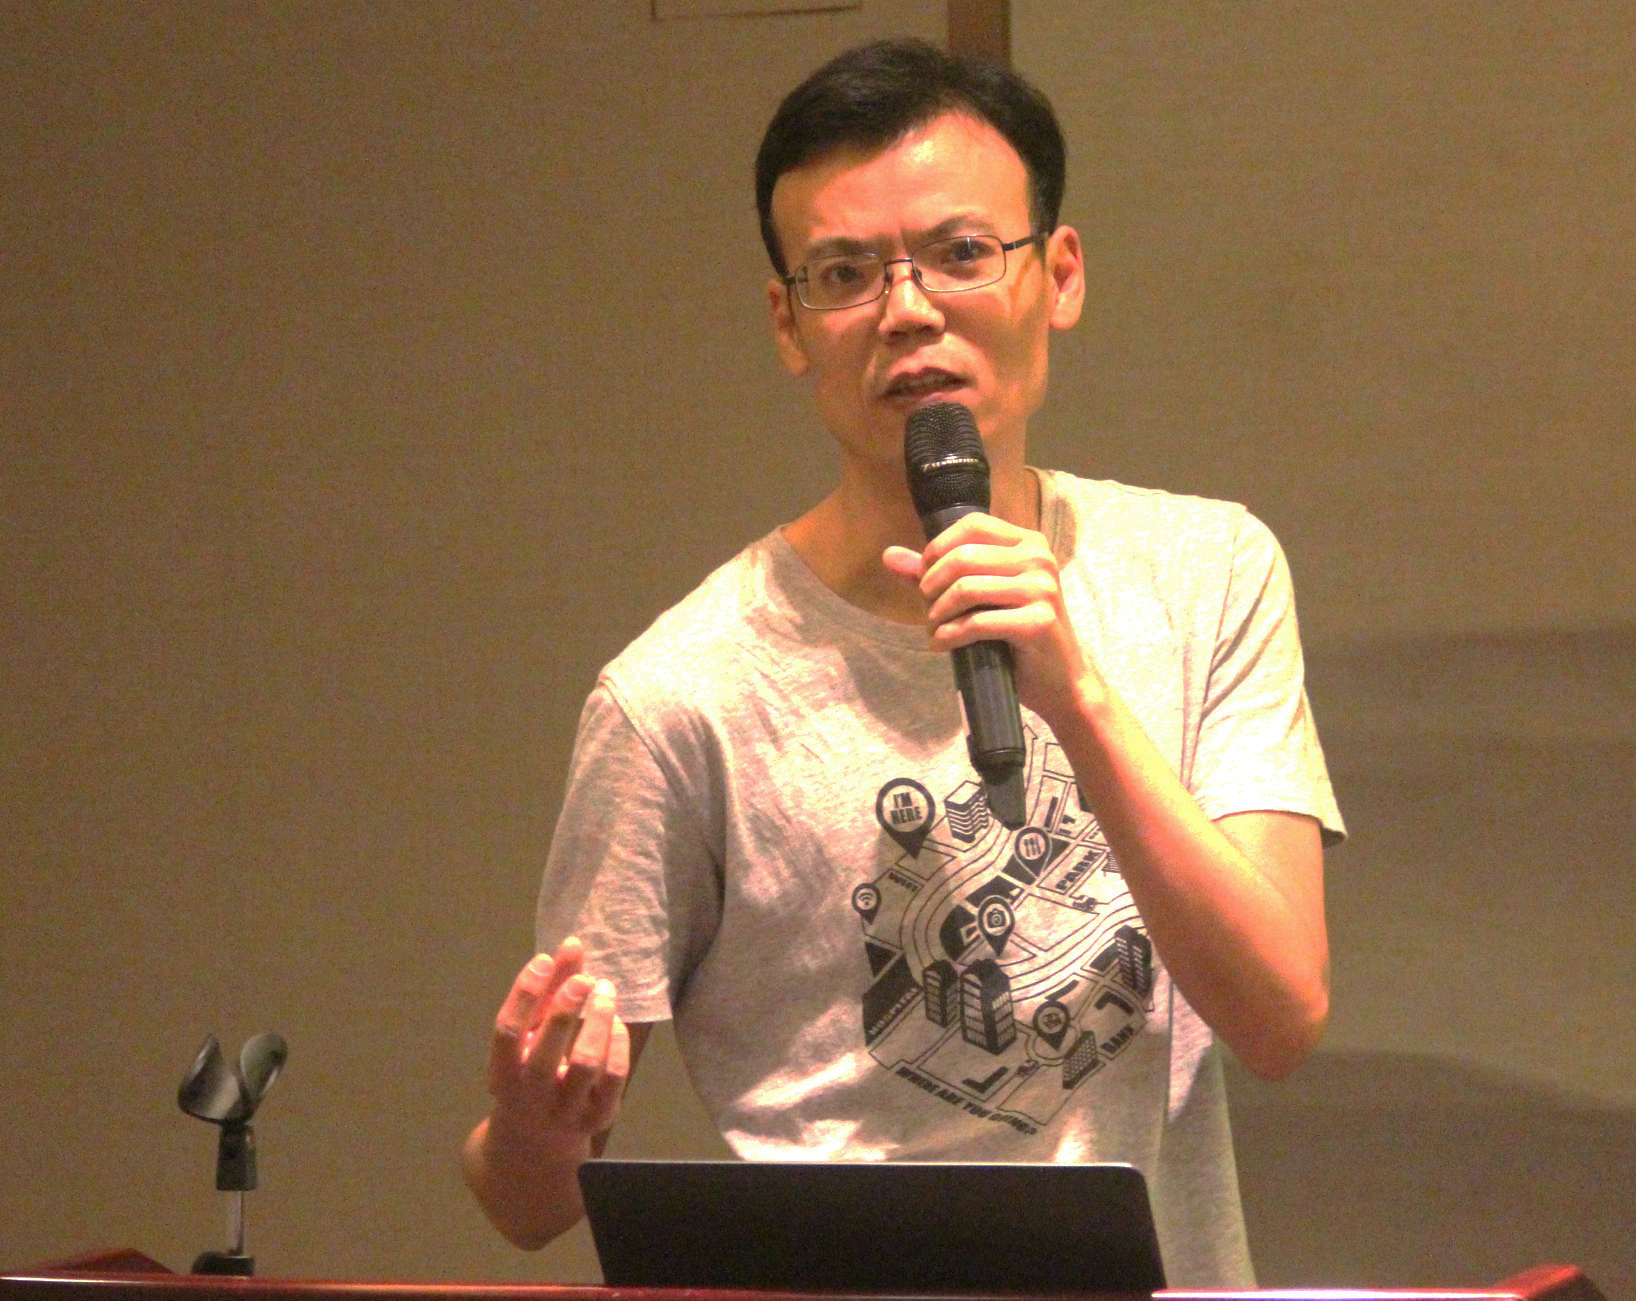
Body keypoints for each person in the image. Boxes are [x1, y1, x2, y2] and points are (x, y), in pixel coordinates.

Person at [461, 37, 1343, 1287]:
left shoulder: (1207, 570)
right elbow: (523, 1203)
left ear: (1059, 273)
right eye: (844, 273)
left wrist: (1080, 700)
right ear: (788, 322)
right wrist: (536, 1128)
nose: (909, 309)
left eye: (960, 251)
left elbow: (1279, 1015)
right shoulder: (677, 695)